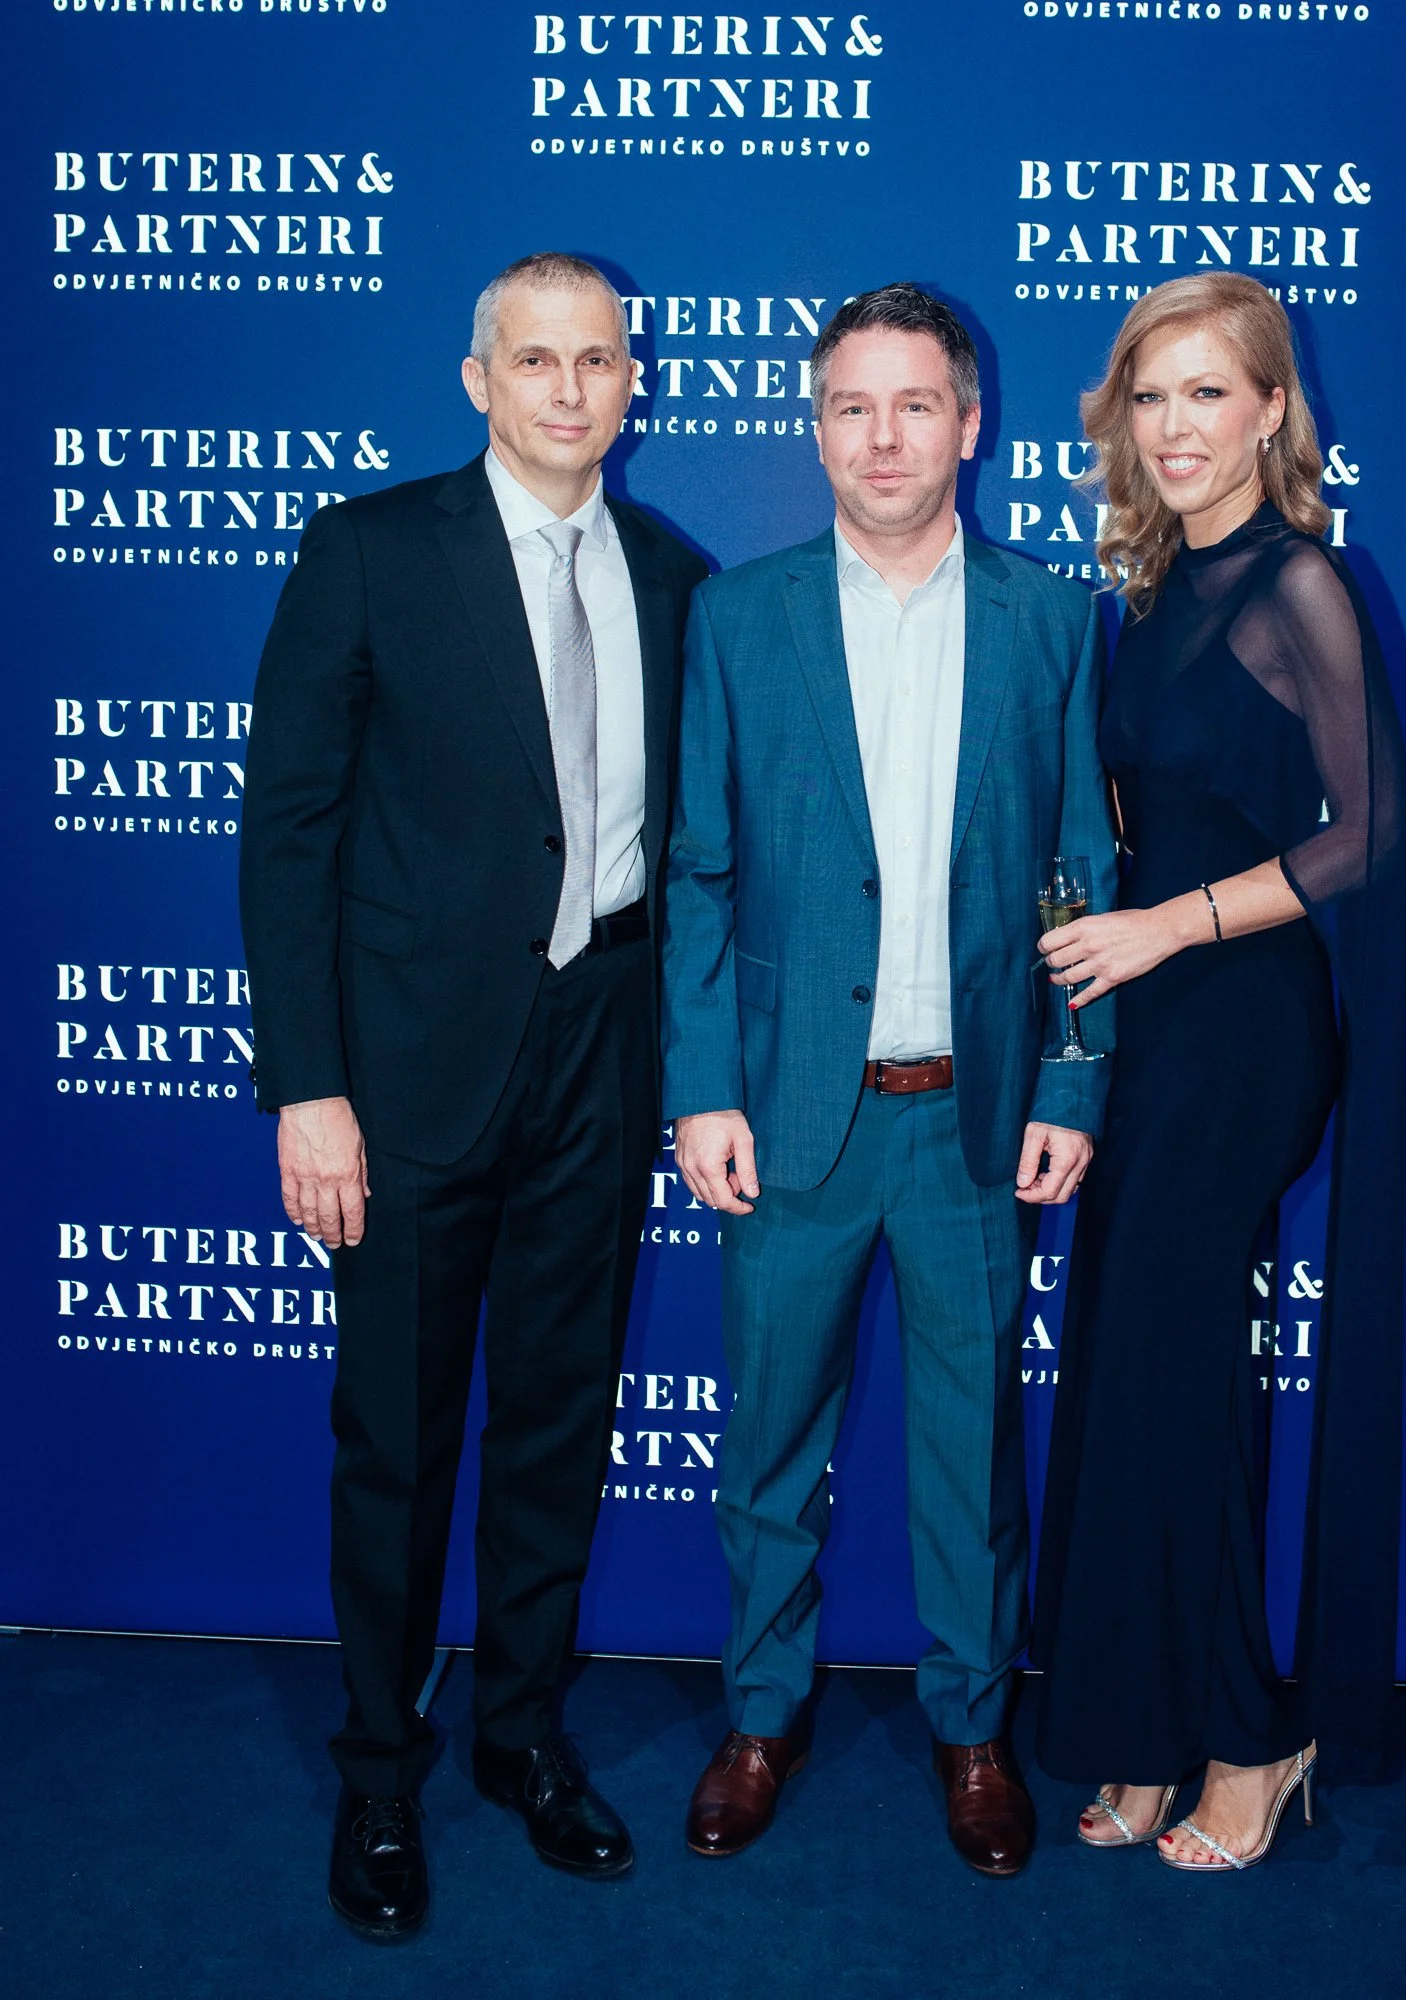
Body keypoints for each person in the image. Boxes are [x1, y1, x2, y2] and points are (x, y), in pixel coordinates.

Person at [239, 252, 707, 1938]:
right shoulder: (369, 549)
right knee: (398, 1437)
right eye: (535, 360)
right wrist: (309, 1091)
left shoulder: (675, 576)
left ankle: (521, 1734)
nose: (569, 390)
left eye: (598, 360)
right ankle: (381, 1768)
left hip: (600, 1054)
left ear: (633, 381)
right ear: (478, 380)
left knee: (558, 1423)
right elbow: (287, 834)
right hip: (407, 1076)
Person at [662, 283, 1116, 1877]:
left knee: (969, 1455)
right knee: (768, 1445)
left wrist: (1071, 1085)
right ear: (816, 428)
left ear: (968, 425)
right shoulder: (740, 616)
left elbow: (1080, 873)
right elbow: (700, 870)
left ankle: (973, 1726)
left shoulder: (1051, 621)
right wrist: (701, 1086)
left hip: (973, 1123)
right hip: (792, 1116)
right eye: (851, 407)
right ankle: (759, 1714)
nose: (882, 438)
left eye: (914, 405)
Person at [1031, 273, 1406, 1871]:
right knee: (1134, 1375)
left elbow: (1366, 832)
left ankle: (1254, 1740)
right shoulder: (1152, 587)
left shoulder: (1301, 581)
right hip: (1150, 1024)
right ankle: (1145, 1724)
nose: (1176, 426)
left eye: (1208, 393)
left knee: (1180, 1381)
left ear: (1270, 410)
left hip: (1242, 1025)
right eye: (1151, 395)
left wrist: (1164, 926)